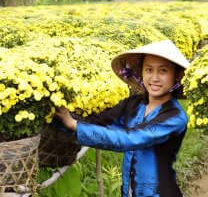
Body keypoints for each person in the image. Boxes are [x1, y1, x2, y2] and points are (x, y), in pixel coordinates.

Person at [55, 40, 190, 197]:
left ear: (176, 76)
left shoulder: (175, 118)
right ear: (141, 72)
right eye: (148, 70)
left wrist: (74, 125)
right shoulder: (135, 103)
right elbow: (101, 120)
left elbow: (129, 139)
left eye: (163, 71)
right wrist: (60, 117)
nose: (154, 78)